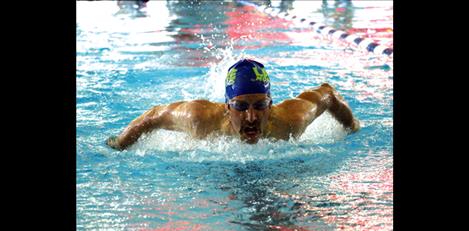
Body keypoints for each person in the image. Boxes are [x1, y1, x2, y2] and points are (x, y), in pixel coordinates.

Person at [106, 59, 360, 150]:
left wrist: (353, 127)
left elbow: (328, 95)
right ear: (226, 107)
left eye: (260, 105)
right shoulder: (200, 119)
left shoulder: (290, 122)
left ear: (271, 105)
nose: (251, 116)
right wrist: (119, 144)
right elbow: (153, 115)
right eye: (240, 106)